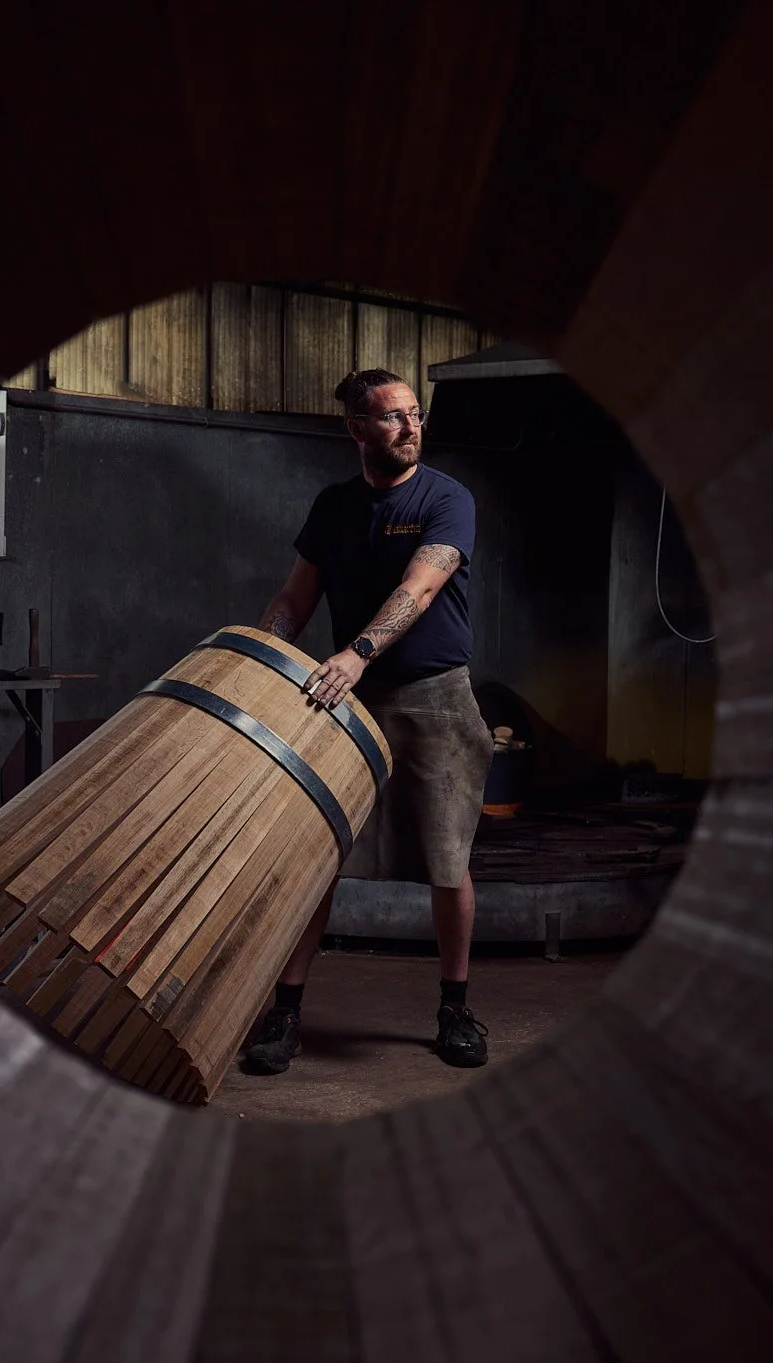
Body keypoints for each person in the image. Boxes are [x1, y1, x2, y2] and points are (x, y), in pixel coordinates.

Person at [241, 367, 492, 1074]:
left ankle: (455, 1008)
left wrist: (356, 652)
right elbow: (295, 597)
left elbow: (420, 587)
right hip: (343, 698)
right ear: (356, 430)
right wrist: (262, 655)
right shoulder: (333, 506)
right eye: (392, 417)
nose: (410, 427)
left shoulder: (448, 499)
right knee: (315, 860)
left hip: (435, 696)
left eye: (414, 415)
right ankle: (286, 1011)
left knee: (448, 864)